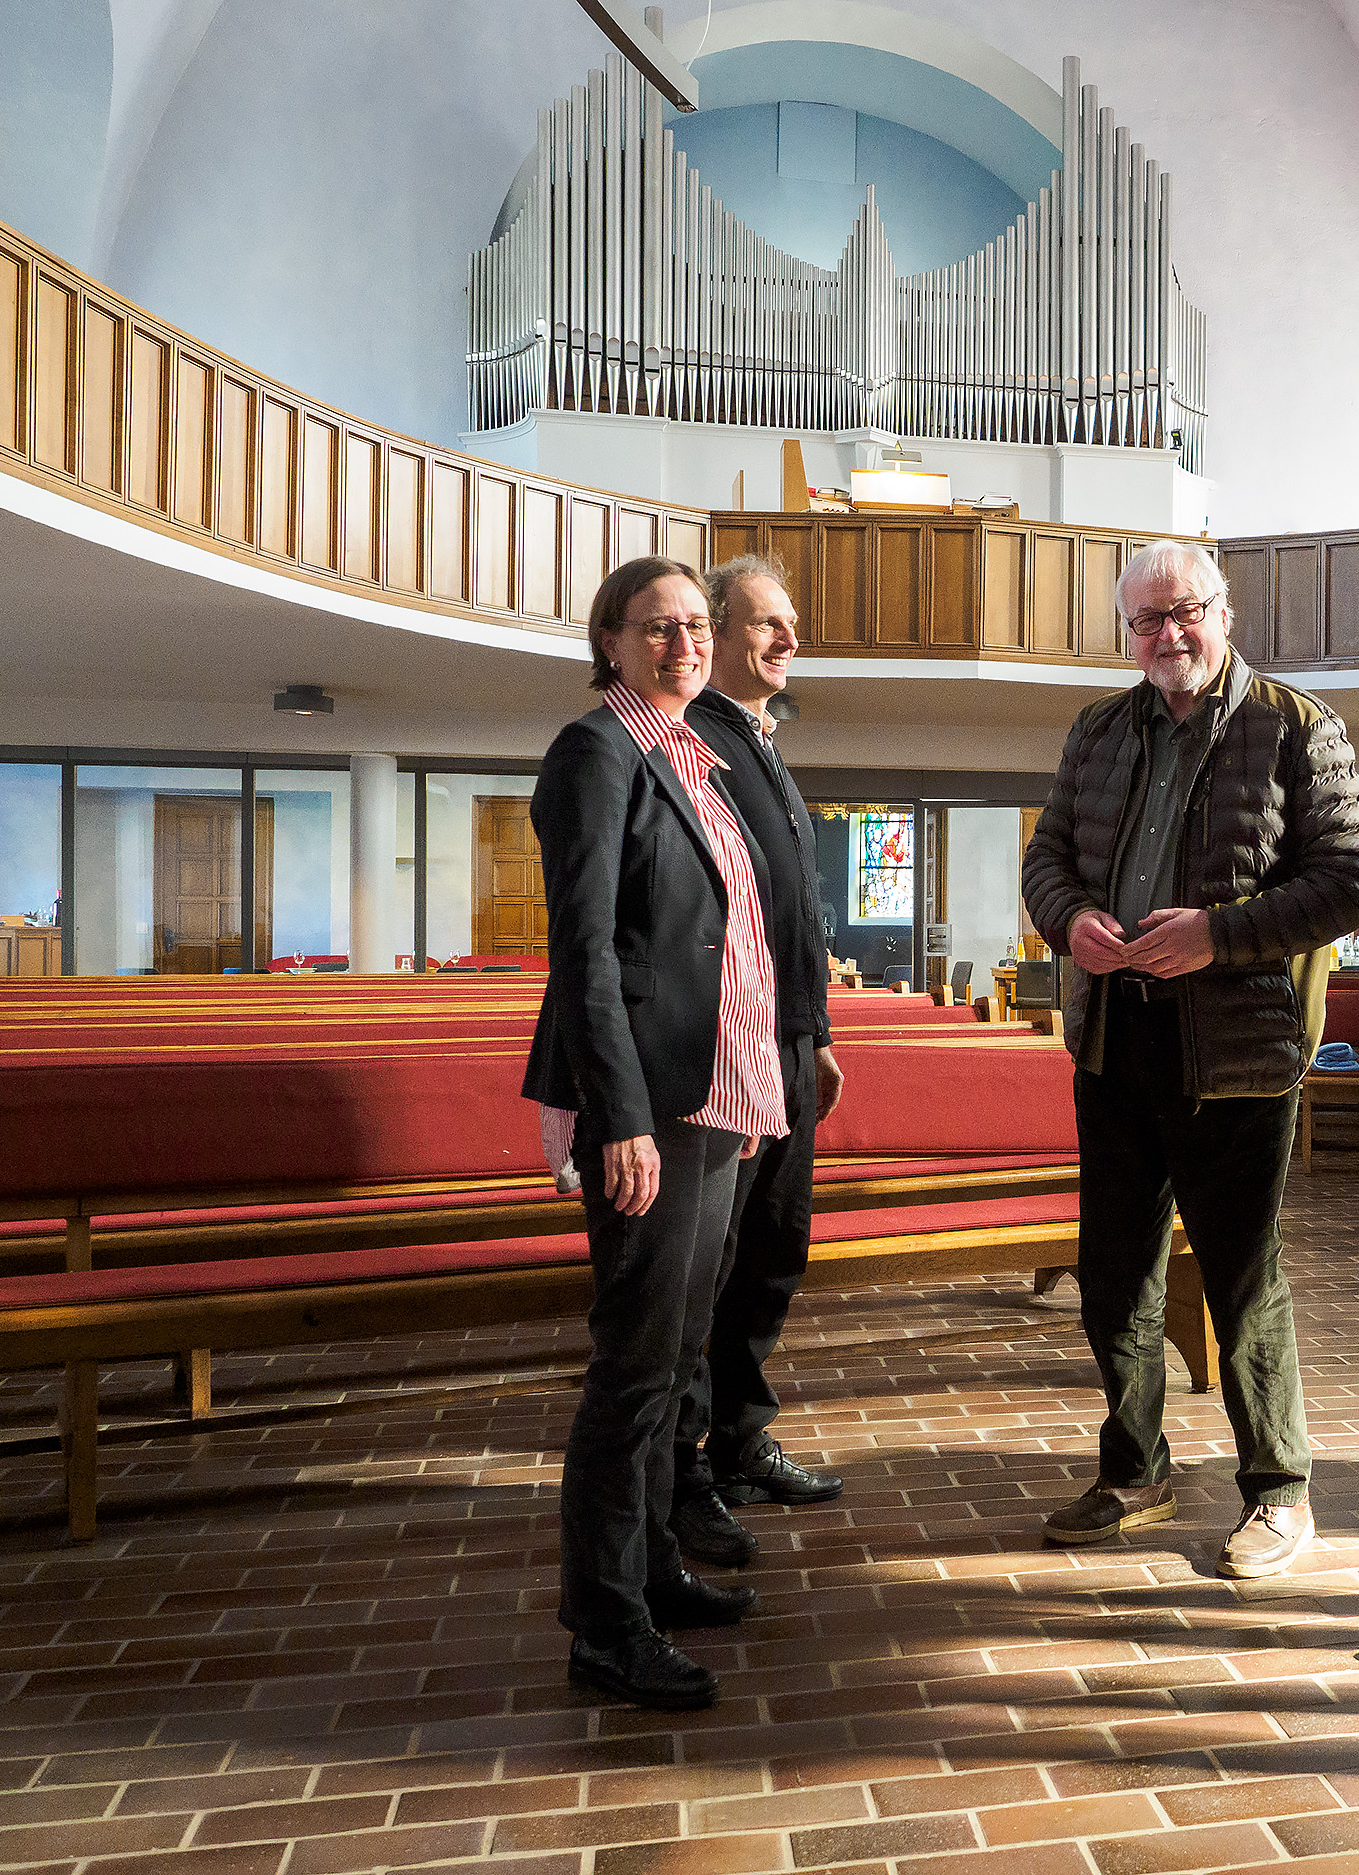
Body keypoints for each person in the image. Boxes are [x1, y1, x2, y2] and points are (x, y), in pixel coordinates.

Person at [1021, 541, 1359, 1579]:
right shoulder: (1098, 728)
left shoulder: (1295, 726)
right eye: (1145, 621)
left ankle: (1278, 1492)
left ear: (1223, 611)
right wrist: (1071, 918)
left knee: (1239, 1274)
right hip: (1112, 1038)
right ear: (1124, 631)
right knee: (1113, 1271)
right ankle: (1134, 1468)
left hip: (1236, 1051)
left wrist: (1218, 935)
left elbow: (1349, 882)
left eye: (1183, 614)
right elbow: (1048, 857)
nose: (1166, 636)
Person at [523, 555, 787, 1711]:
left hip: (715, 1096)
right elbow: (584, 951)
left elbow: (727, 943)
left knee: (680, 1357)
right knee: (633, 1370)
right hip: (650, 1103)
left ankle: (653, 1569)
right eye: (658, 626)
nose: (683, 641)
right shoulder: (598, 751)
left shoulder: (698, 755)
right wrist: (617, 1118)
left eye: (694, 623)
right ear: (613, 642)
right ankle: (606, 1620)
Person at [665, 554, 848, 1570]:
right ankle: (684, 1469)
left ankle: (736, 1440)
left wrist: (814, 1034)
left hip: (783, 1047)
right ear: (719, 631)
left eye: (791, 624)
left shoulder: (761, 743)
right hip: (726, 1055)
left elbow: (790, 914)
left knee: (773, 1252)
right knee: (710, 1265)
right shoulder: (696, 741)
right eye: (767, 623)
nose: (786, 640)